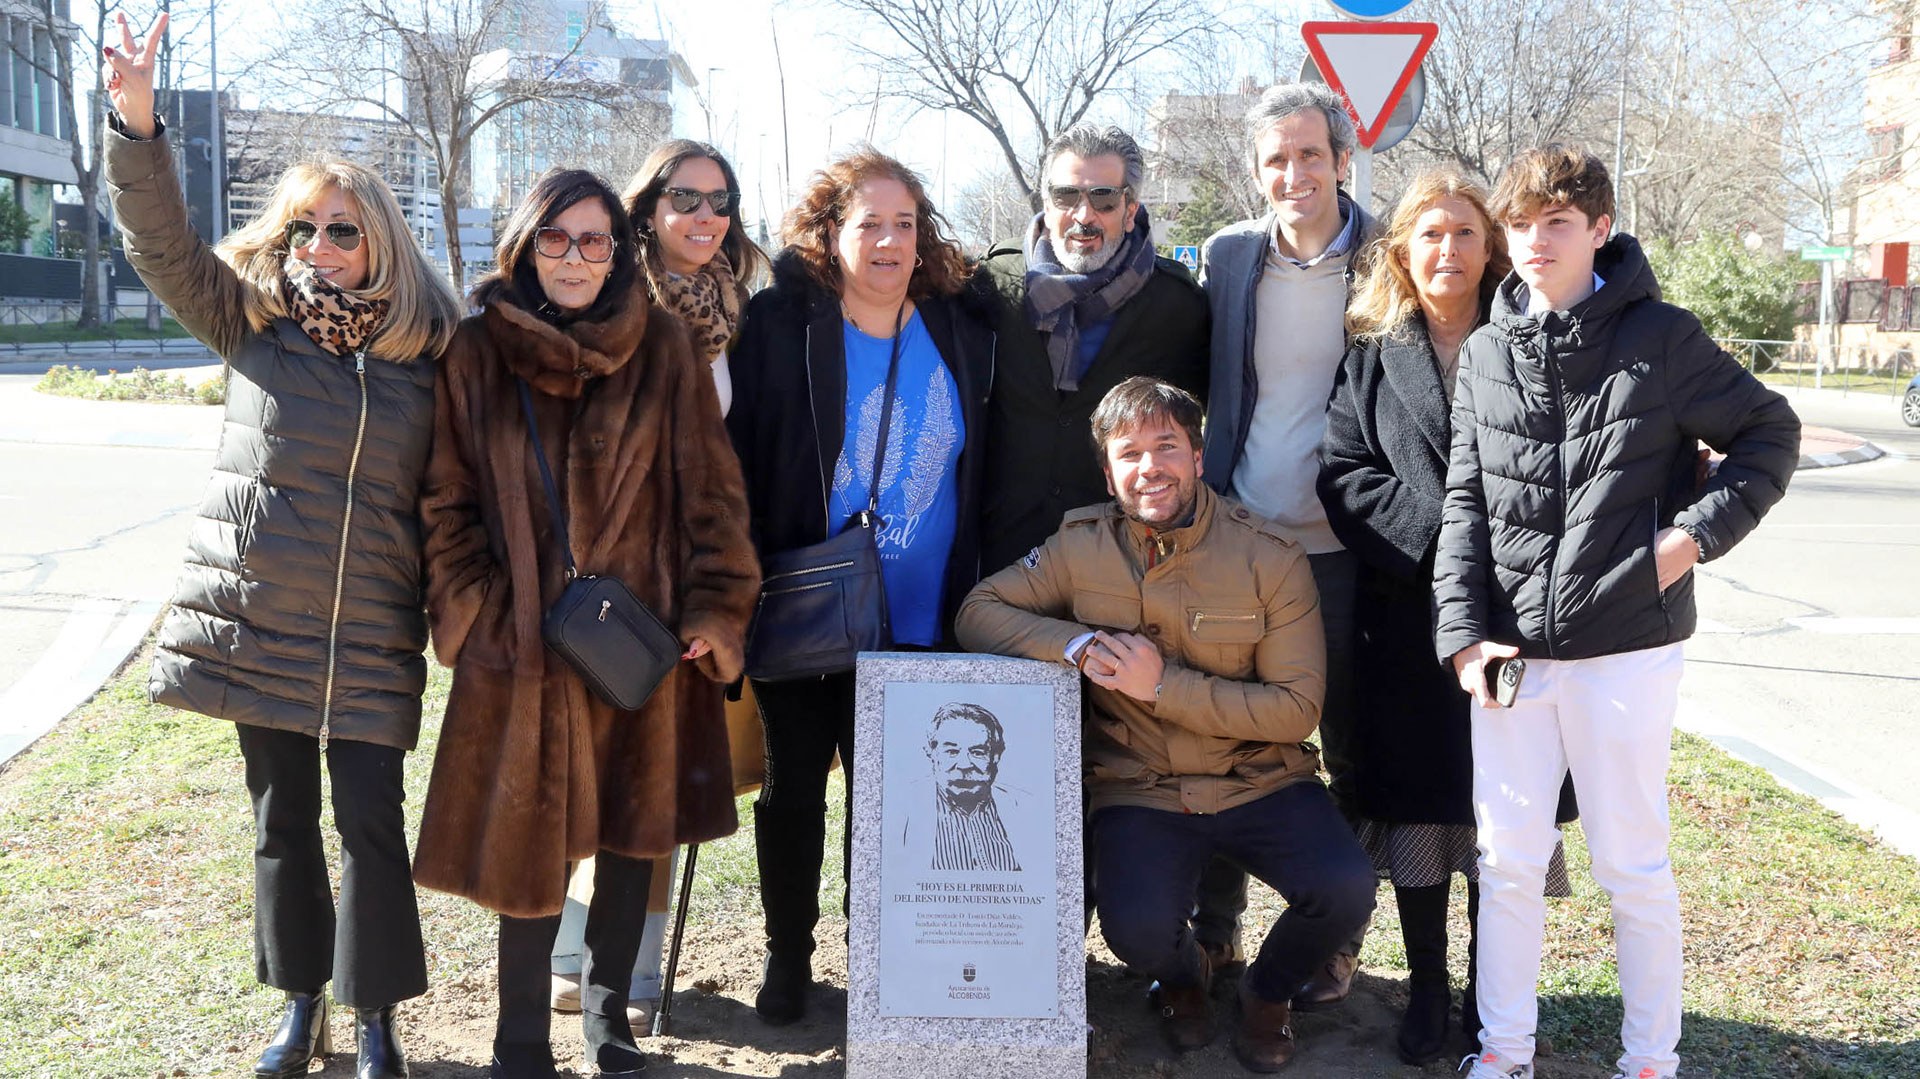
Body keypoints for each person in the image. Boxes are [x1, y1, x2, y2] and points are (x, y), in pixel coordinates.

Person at [101, 14, 461, 1079]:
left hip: (371, 635)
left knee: (369, 828)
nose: (318, 250)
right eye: (304, 229)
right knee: (282, 825)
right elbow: (163, 244)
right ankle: (301, 1007)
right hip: (263, 625)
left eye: (341, 230)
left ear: (380, 239)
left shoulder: (430, 354)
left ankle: (378, 1020)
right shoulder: (251, 322)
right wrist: (137, 124)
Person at [1436, 146, 1799, 1079]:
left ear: (1599, 228)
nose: (1535, 241)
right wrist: (1462, 635)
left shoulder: (1663, 338)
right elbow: (1465, 504)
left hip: (1628, 649)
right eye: (1521, 223)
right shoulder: (1484, 349)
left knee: (1630, 867)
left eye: (1558, 222)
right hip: (1512, 659)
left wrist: (1683, 545)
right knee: (1508, 864)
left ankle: (1649, 1061)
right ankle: (1505, 1052)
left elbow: (1770, 434)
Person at [412, 167, 760, 1079]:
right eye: (558, 238)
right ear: (527, 243)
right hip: (520, 644)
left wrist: (715, 609)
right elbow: (445, 502)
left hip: (637, 640)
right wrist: (480, 615)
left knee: (629, 830)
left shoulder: (666, 349)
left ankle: (611, 1021)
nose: (576, 257)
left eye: (596, 240)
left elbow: (714, 501)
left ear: (618, 250)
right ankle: (519, 1036)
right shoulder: (477, 351)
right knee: (528, 843)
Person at [955, 377, 1376, 1074]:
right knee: (1137, 927)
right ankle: (1184, 981)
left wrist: (1163, 686)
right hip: (1142, 785)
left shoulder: (1268, 555)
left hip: (1258, 778)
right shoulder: (1079, 544)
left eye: (1166, 447)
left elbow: (1295, 708)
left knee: (1343, 887)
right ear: (1108, 470)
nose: (1149, 467)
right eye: (1129, 453)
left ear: (1198, 457)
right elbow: (979, 610)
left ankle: (1267, 994)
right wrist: (1078, 646)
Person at [727, 148, 995, 1026]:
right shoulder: (782, 323)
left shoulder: (962, 323)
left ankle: (883, 952)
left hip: (923, 613)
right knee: (795, 785)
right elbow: (739, 452)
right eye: (868, 222)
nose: (888, 240)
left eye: (905, 223)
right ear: (829, 232)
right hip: (807, 603)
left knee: (894, 803)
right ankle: (788, 954)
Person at [1318, 168, 1579, 1065]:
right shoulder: (1371, 355)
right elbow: (1344, 474)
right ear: (1401, 250)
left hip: (1520, 616)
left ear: (1491, 246)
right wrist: (1449, 540)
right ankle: (1428, 985)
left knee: (1503, 810)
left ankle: (1490, 990)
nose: (1448, 250)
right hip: (1407, 621)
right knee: (1425, 811)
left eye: (1465, 233)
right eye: (1429, 234)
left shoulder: (1535, 338)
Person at [535, 139, 774, 1021]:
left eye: (722, 200)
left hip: (695, 575)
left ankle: (632, 967)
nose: (706, 217)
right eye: (687, 198)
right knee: (583, 766)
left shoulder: (741, 311)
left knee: (661, 776)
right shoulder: (610, 299)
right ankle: (567, 945)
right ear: (647, 209)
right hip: (605, 576)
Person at [1196, 81, 1379, 1005]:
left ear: (1342, 160)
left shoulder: (1392, 252)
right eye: (1277, 159)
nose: (1295, 173)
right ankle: (1215, 931)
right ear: (1256, 170)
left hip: (1350, 548)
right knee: (1227, 740)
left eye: (1312, 155)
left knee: (1349, 745)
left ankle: (1336, 939)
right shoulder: (1229, 256)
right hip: (1244, 541)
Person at [972, 123, 1208, 574]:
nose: (1084, 215)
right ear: (1046, 203)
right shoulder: (991, 286)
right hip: (999, 552)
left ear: (1130, 207)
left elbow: (1196, 433)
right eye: (1066, 197)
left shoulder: (1179, 307)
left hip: (1122, 562)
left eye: (1103, 200)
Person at [907, 702, 1023, 872]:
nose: (964, 765)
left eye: (977, 752)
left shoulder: (1025, 807)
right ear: (932, 753)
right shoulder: (903, 809)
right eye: (952, 752)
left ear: (995, 756)